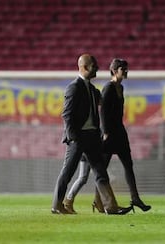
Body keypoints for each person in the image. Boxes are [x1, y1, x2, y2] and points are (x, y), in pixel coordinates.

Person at [63, 58, 151, 213]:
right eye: (123, 69)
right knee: (94, 172)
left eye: (126, 69)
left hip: (119, 133)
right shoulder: (108, 88)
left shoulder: (120, 88)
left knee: (124, 167)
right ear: (114, 70)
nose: (126, 71)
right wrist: (105, 132)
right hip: (107, 135)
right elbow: (102, 111)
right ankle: (77, 201)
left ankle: (134, 198)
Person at [51, 54, 133, 215]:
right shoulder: (73, 87)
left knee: (100, 172)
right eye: (94, 65)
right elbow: (66, 115)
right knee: (68, 172)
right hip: (78, 138)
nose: (97, 68)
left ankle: (110, 206)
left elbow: (105, 102)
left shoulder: (92, 89)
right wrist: (73, 137)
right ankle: (57, 204)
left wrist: (116, 87)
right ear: (84, 67)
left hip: (92, 138)